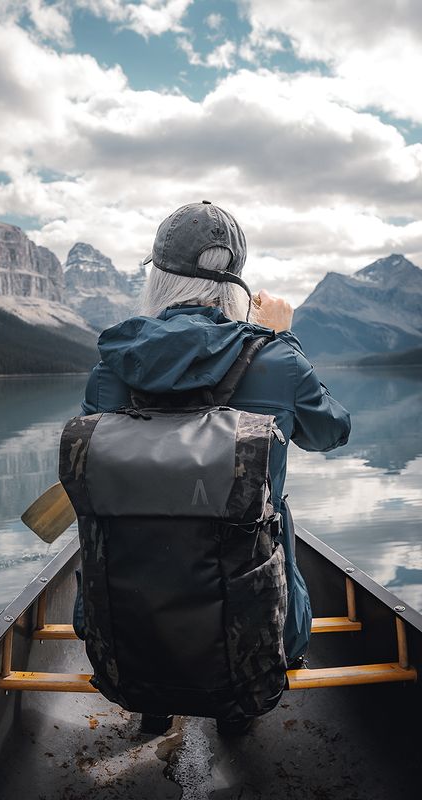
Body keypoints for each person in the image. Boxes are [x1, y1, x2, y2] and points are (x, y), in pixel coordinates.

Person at [74, 201, 351, 705]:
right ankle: (236, 710)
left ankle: (151, 705)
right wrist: (283, 338)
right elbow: (330, 433)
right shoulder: (277, 358)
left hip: (121, 626)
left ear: (157, 280)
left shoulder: (110, 370)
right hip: (259, 625)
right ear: (235, 285)